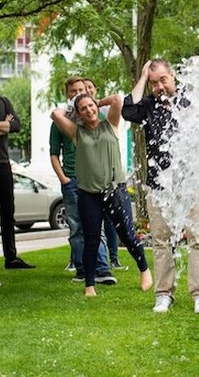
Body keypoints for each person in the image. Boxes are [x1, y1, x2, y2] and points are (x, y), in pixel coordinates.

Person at [122, 58, 199, 314]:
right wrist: (142, 78)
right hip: (160, 185)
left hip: (191, 181)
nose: (160, 86)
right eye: (154, 83)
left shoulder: (190, 98)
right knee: (161, 241)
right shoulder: (148, 105)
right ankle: (163, 294)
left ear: (173, 76)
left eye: (163, 79)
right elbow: (129, 111)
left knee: (198, 239)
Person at [51, 93, 152, 297]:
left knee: (128, 234)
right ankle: (89, 286)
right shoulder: (76, 132)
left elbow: (117, 99)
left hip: (115, 190)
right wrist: (73, 109)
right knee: (92, 239)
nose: (89, 110)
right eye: (84, 109)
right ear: (78, 113)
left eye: (91, 106)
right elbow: (55, 114)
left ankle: (145, 271)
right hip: (89, 195)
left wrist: (97, 102)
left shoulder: (111, 124)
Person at [49, 76, 116, 284]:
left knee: (98, 226)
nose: (78, 93)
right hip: (73, 179)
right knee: (77, 227)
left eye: (81, 90)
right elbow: (54, 153)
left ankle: (103, 269)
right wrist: (64, 179)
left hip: (95, 179)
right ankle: (81, 269)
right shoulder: (63, 124)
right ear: (67, 95)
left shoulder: (94, 119)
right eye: (73, 91)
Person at [0, 61, 35, 283]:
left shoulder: (3, 101)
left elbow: (16, 126)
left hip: (3, 163)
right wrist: (2, 126)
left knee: (8, 212)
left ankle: (11, 258)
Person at [84, 77, 126, 271]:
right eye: (83, 89)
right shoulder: (80, 118)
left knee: (114, 224)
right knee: (91, 228)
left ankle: (114, 257)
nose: (87, 91)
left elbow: (117, 98)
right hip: (91, 181)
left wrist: (97, 103)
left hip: (111, 179)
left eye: (90, 88)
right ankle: (94, 270)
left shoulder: (104, 114)